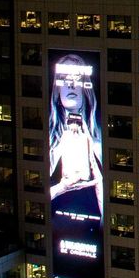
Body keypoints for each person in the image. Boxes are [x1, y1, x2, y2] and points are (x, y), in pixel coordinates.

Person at [49, 54, 104, 216]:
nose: (71, 85)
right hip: (56, 221)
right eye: (64, 79)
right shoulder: (49, 141)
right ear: (57, 90)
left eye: (77, 79)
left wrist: (99, 182)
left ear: (85, 88)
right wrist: (61, 188)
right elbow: (30, 198)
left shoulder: (98, 141)